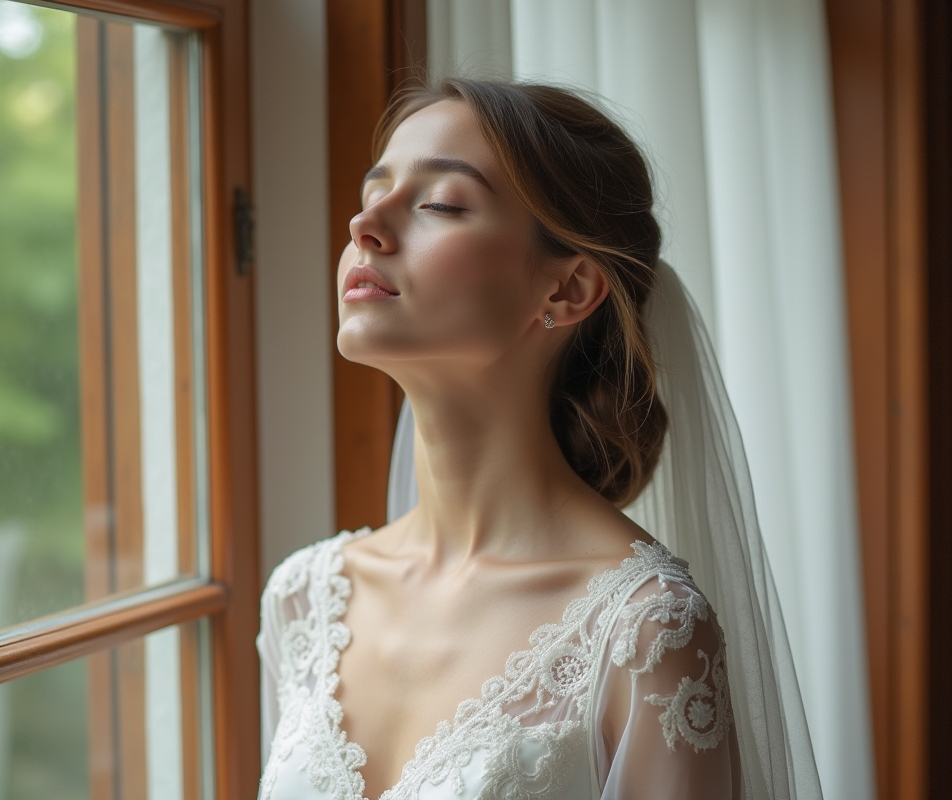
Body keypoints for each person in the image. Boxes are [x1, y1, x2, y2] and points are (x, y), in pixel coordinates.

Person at [256, 79, 821, 800]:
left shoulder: (648, 631)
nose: (365, 224)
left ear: (568, 290)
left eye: (440, 204)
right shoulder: (306, 598)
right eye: (374, 192)